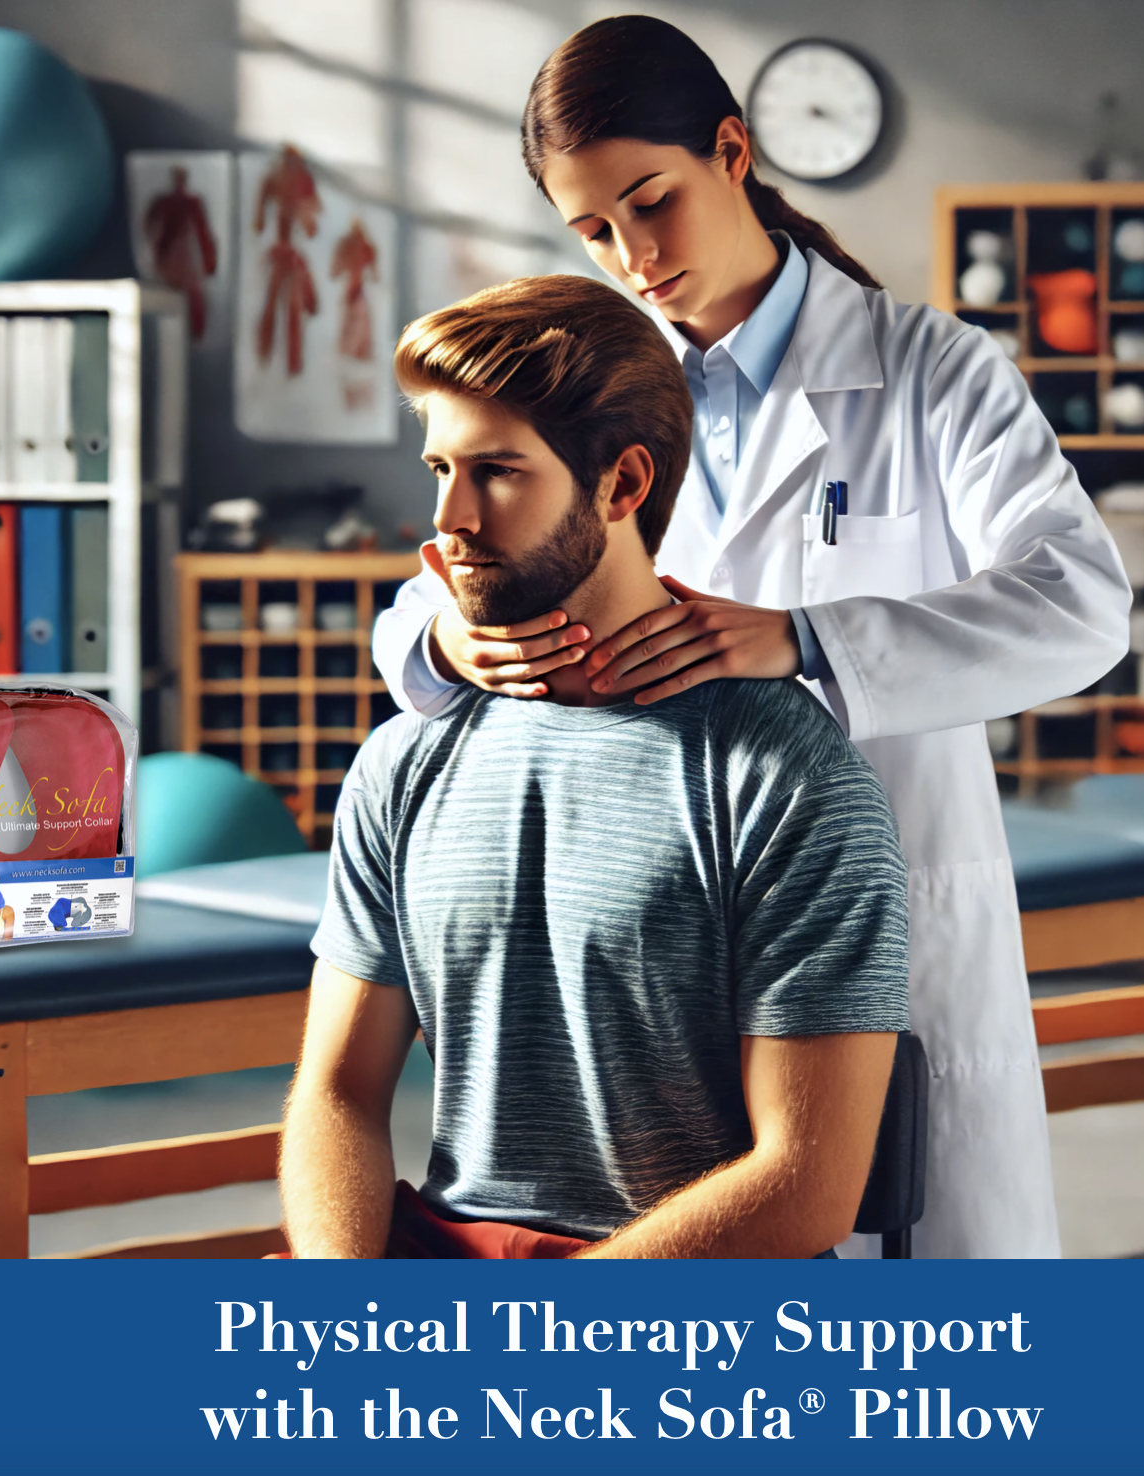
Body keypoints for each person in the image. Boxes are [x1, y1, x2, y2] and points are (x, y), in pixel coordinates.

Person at [372, 16, 1132, 1259]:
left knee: (911, 1324)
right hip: (649, 927)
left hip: (870, 902)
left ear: (731, 151)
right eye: (591, 231)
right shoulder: (592, 373)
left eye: (649, 202)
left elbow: (1079, 601)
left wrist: (808, 640)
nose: (631, 256)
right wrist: (447, 648)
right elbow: (455, 549)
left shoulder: (926, 372)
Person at [280, 276, 910, 1259]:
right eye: (439, 467)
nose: (448, 516)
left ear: (620, 486)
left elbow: (801, 1190)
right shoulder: (402, 761)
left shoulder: (785, 780)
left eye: (496, 472)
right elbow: (335, 1095)